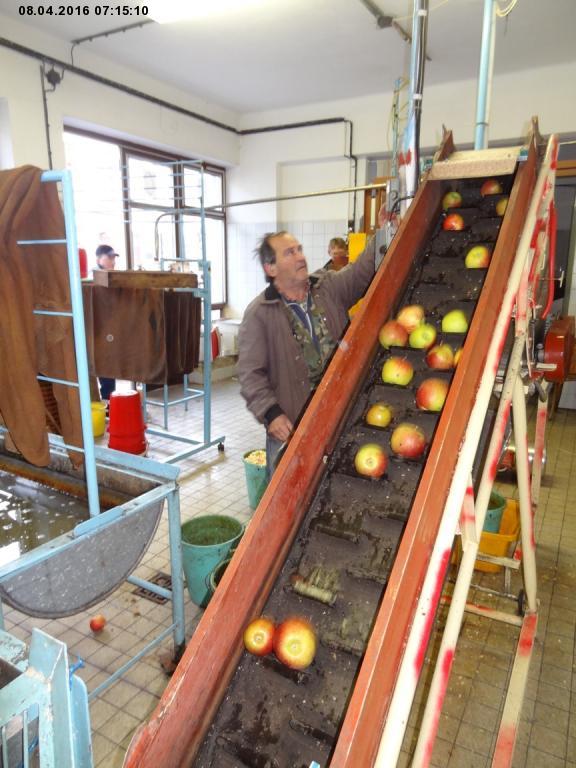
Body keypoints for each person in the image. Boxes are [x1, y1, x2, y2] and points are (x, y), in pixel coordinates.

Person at [238, 231, 375, 478]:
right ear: (271, 268)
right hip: (293, 429)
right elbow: (250, 374)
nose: (300, 257)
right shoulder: (259, 313)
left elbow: (360, 272)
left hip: (340, 417)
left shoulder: (328, 287)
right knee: (290, 491)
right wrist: (271, 413)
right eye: (289, 253)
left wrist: (384, 235)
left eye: (299, 249)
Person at [94, 244, 118, 401]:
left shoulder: (111, 277)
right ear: (98, 259)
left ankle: (109, 404)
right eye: (109, 257)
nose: (113, 261)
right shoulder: (95, 277)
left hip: (108, 329)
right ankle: (107, 404)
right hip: (99, 330)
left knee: (108, 370)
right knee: (105, 369)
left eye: (114, 257)